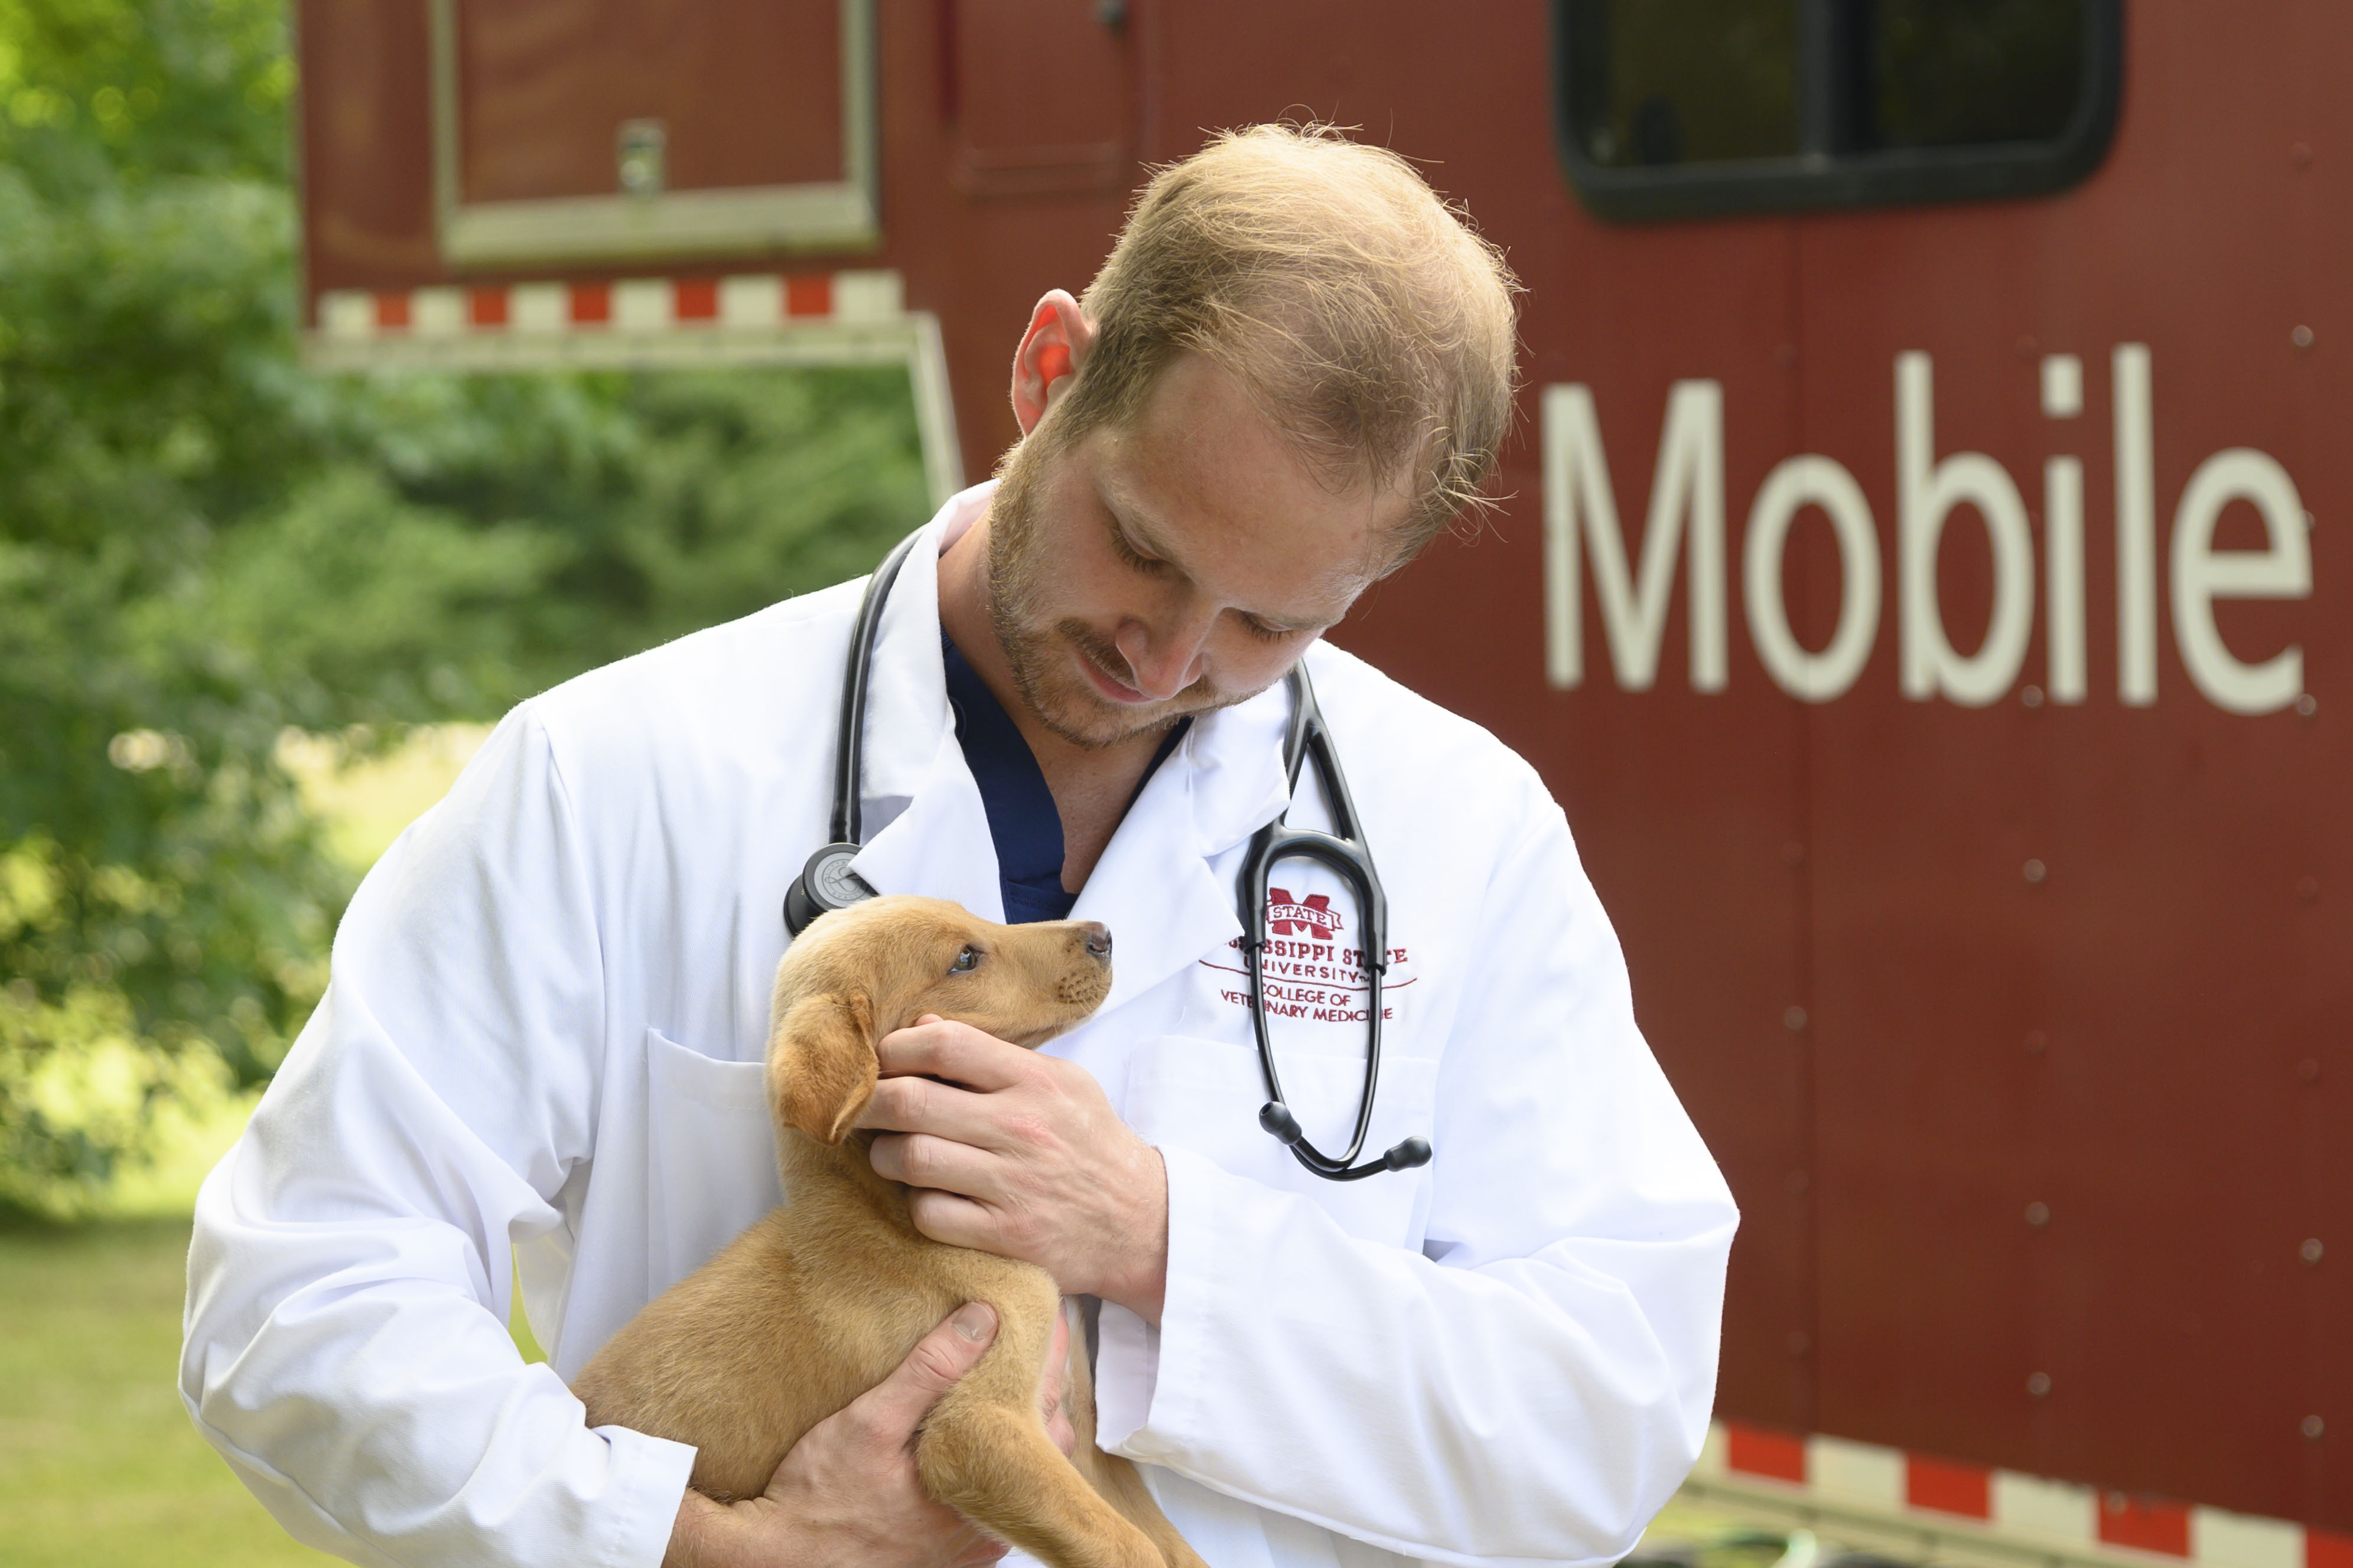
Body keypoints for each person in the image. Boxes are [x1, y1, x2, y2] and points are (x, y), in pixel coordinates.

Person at [182, 125, 1737, 1568]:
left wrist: (1161, 1242)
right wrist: (677, 1543)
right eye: (1144, 547)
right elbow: (300, 1296)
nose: (1168, 655)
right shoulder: (621, 775)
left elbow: (1611, 1405)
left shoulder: (1459, 835)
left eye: (1273, 620)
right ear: (1048, 372)